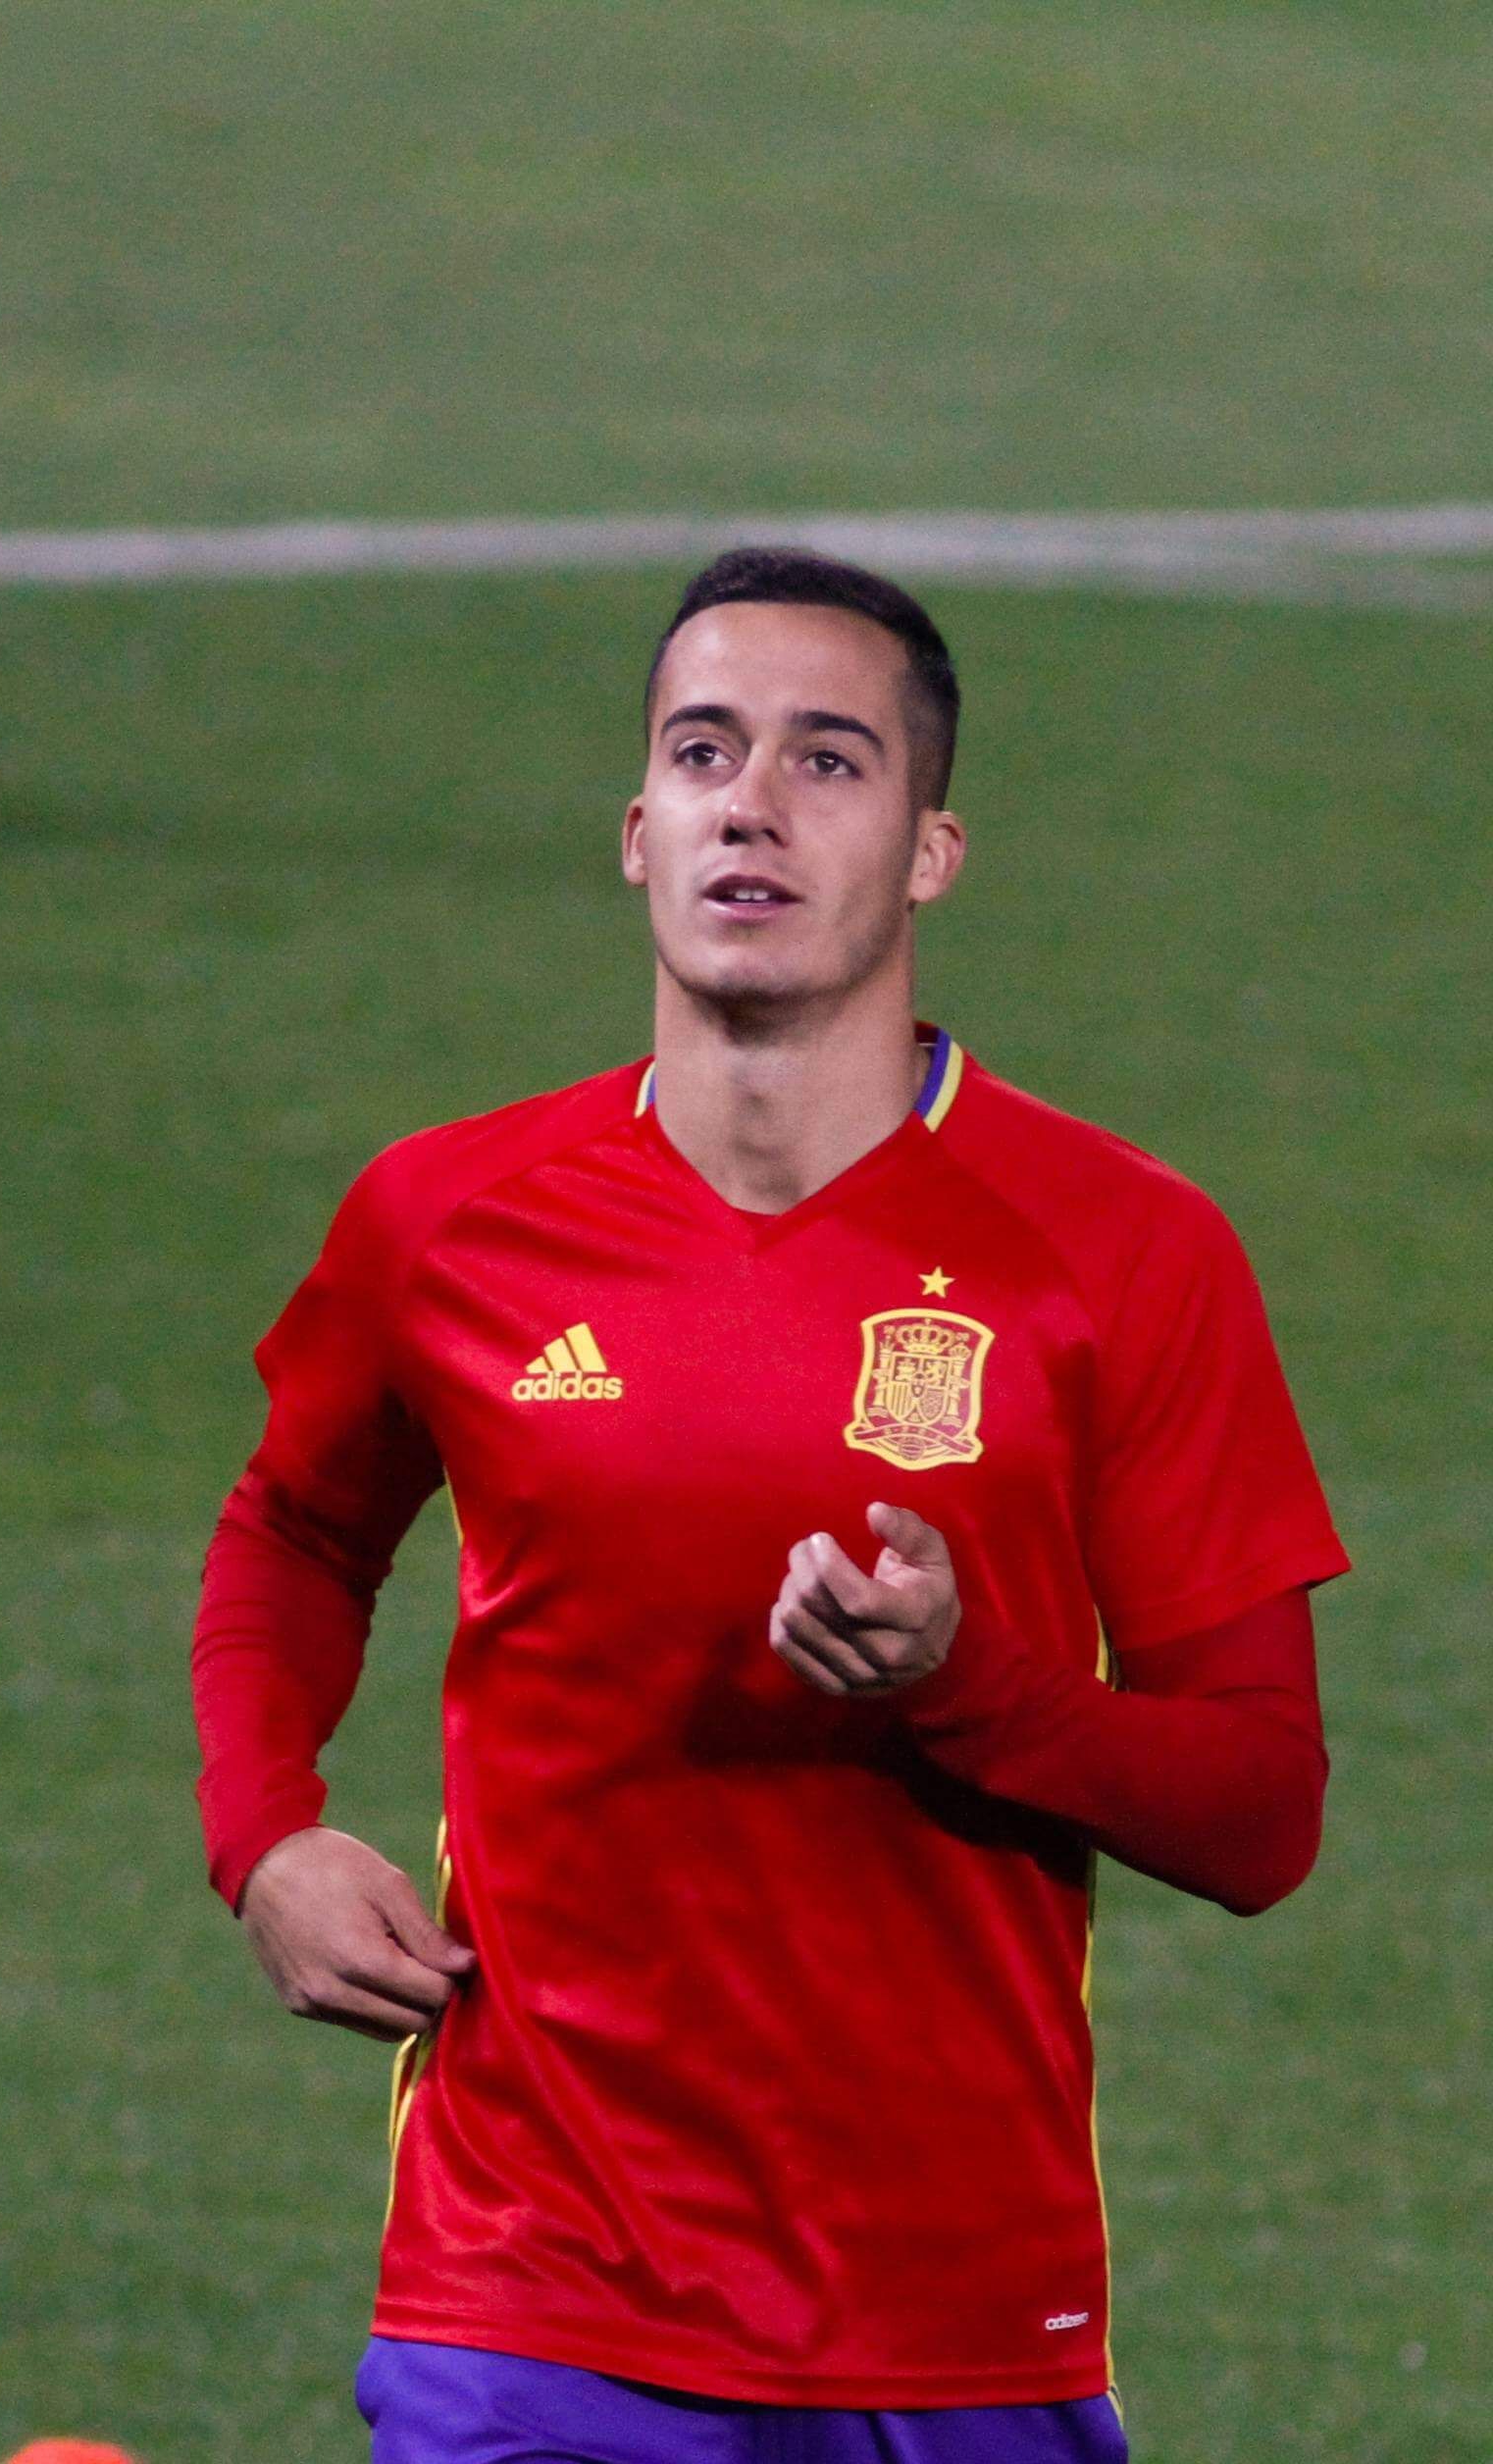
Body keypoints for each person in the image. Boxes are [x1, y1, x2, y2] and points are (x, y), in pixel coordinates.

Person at [191, 547, 1349, 2464]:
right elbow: (295, 1529)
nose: (751, 797)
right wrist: (266, 1832)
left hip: (958, 2310)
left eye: (828, 759)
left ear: (927, 853)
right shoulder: (447, 1222)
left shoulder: (1124, 1254)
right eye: (703, 749)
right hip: (533, 2278)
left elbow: (1259, 1811)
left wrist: (970, 1685)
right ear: (634, 830)